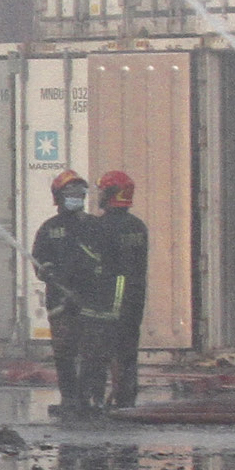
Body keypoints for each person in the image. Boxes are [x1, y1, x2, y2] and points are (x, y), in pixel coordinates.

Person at [30, 171, 105, 421]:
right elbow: (39, 260)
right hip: (61, 303)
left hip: (90, 300)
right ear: (58, 197)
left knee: (92, 352)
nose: (76, 198)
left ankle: (89, 399)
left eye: (79, 194)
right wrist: (47, 270)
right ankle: (69, 398)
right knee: (64, 352)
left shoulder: (94, 226)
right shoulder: (49, 229)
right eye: (70, 194)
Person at [89, 169, 151, 413]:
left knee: (100, 349)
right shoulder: (138, 227)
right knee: (127, 349)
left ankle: (98, 398)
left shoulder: (102, 227)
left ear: (112, 194)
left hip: (108, 297)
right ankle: (126, 397)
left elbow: (96, 261)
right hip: (134, 297)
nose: (100, 195)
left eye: (103, 191)